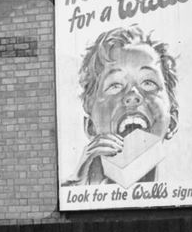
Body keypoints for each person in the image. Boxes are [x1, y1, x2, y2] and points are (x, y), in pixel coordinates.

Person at [63, 25, 178, 186]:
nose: (133, 95)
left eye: (148, 82)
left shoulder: (181, 190)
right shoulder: (74, 190)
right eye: (115, 85)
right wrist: (76, 188)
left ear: (172, 122)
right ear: (91, 127)